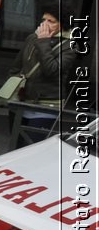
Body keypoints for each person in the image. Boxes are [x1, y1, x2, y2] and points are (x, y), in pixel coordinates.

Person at [8, 8, 74, 146]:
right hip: (22, 98)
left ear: (62, 24)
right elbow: (16, 66)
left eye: (51, 21)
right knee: (15, 144)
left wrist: (43, 42)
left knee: (30, 144)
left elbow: (51, 70)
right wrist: (12, 87)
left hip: (46, 103)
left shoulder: (69, 46)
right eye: (44, 19)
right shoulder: (32, 38)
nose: (45, 24)